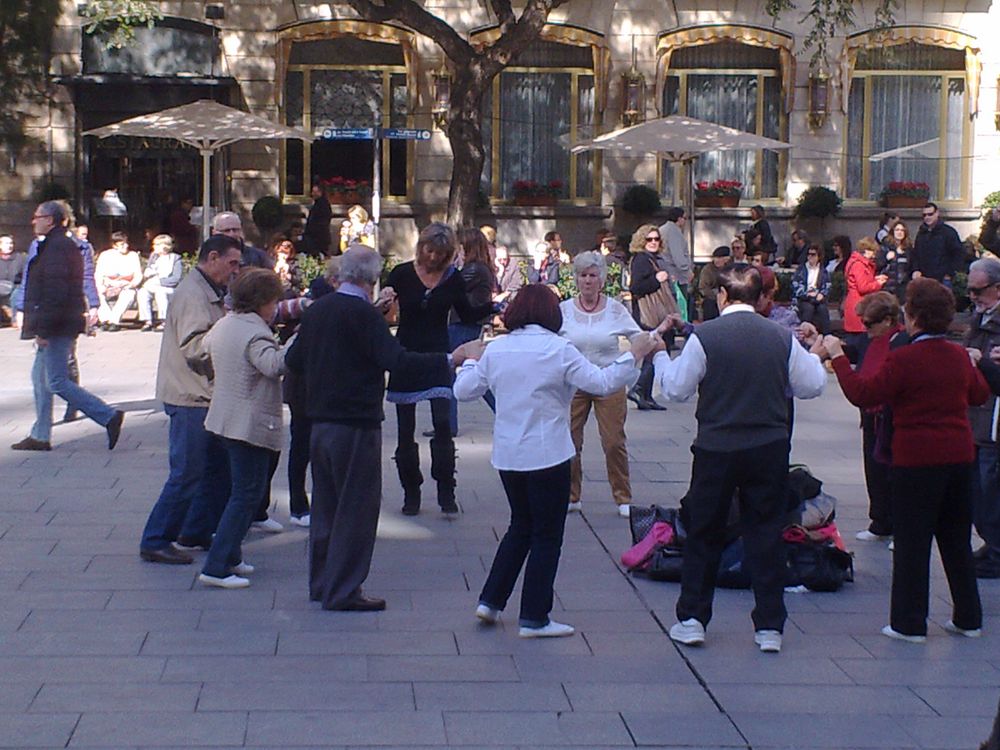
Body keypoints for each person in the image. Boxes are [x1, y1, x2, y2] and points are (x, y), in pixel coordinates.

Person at [455, 284, 655, 637]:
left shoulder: (498, 350)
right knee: (547, 535)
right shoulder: (559, 349)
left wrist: (469, 360)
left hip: (508, 453)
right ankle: (534, 615)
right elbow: (602, 382)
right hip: (548, 453)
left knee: (521, 525)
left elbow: (464, 390)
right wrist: (632, 355)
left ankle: (491, 599)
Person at [285, 245, 475, 611]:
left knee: (325, 505)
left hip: (319, 423)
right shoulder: (364, 315)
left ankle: (322, 583)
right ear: (372, 279)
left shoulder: (319, 309)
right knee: (356, 508)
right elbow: (397, 362)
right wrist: (450, 359)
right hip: (355, 424)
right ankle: (344, 591)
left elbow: (294, 359)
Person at [653, 265, 827, 653]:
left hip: (716, 447)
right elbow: (812, 385)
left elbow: (677, 391)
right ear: (757, 296)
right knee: (766, 533)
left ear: (721, 296)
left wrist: (661, 361)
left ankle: (693, 618)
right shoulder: (781, 337)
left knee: (704, 532)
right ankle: (769, 626)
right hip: (768, 446)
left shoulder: (706, 336)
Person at [822, 278, 987, 642]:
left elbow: (865, 394)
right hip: (959, 455)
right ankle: (968, 617)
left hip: (917, 459)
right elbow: (978, 394)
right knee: (956, 540)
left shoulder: (905, 358)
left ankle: (909, 622)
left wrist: (837, 356)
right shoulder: (958, 354)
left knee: (913, 542)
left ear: (913, 317)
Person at [138, 235, 243, 565]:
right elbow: (195, 347)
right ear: (212, 258)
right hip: (190, 396)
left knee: (217, 471)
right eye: (232, 263)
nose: (235, 270)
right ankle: (156, 539)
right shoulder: (193, 294)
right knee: (187, 473)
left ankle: (195, 530)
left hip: (203, 395)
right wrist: (231, 336)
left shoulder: (205, 290)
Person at [198, 268, 288, 589]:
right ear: (262, 301)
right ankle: (217, 565)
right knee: (246, 495)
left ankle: (232, 556)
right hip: (249, 424)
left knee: (240, 491)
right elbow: (273, 366)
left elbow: (202, 352)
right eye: (274, 301)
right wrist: (294, 345)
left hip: (223, 418)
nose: (276, 307)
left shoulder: (225, 324)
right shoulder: (257, 333)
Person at [11, 202, 125, 453]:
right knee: (40, 380)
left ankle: (107, 415)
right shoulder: (54, 244)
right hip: (57, 322)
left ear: (50, 220)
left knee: (56, 381)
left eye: (37, 217)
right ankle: (40, 436)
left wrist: (43, 329)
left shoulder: (58, 247)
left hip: (57, 325)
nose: (33, 221)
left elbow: (56, 292)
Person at [384, 223, 479, 515]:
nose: (434, 257)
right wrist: (383, 302)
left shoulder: (453, 279)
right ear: (420, 246)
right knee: (405, 430)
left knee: (442, 425)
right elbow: (382, 312)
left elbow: (467, 314)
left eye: (440, 252)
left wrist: (497, 309)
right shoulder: (401, 273)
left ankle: (446, 490)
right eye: (429, 250)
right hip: (407, 354)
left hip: (439, 355)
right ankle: (411, 492)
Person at [560, 251, 647, 517]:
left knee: (613, 442)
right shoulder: (563, 310)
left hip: (608, 382)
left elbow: (638, 337)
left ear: (602, 279)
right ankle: (571, 495)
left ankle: (623, 497)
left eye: (593, 275)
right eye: (583, 275)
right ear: (576, 279)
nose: (588, 281)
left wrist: (633, 364)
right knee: (569, 442)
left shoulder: (615, 309)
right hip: (574, 385)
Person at [849, 292, 909, 543]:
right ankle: (880, 520)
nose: (865, 328)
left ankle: (901, 526)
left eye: (869, 324)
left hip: (892, 416)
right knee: (873, 470)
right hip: (871, 415)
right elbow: (855, 354)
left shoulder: (902, 341)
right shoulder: (869, 340)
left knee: (894, 473)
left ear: (887, 320)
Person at [962, 257, 1000, 579]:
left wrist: (983, 362)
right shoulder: (978, 319)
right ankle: (991, 544)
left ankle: (998, 550)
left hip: (994, 420)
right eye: (970, 290)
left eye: (978, 290)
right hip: (975, 414)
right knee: (977, 486)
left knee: (989, 486)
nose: (972, 296)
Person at [447, 227, 497, 435]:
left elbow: (450, 288)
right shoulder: (480, 268)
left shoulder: (473, 270)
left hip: (463, 326)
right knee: (476, 373)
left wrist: (451, 264)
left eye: (460, 246)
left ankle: (448, 425)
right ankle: (448, 423)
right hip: (467, 324)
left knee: (452, 371)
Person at [627, 224, 672, 411]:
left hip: (654, 313)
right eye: (649, 239)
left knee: (655, 350)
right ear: (641, 241)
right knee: (655, 350)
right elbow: (636, 287)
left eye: (656, 239)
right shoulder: (641, 260)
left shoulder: (652, 259)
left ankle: (646, 395)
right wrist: (657, 280)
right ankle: (638, 388)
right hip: (648, 314)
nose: (654, 242)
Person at [843, 236, 888, 363]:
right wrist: (878, 284)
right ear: (866, 250)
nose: (874, 255)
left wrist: (875, 279)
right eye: (873, 252)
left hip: (856, 302)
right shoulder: (859, 265)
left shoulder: (857, 262)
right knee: (858, 342)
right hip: (858, 304)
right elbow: (863, 287)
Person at [95, 231, 141, 331]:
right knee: (98, 293)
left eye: (126, 243)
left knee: (128, 295)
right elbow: (99, 274)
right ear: (114, 245)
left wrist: (132, 284)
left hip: (126, 285)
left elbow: (138, 275)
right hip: (108, 284)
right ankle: (105, 319)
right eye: (122, 244)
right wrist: (101, 286)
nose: (126, 246)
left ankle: (114, 320)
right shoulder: (105, 255)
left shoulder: (133, 256)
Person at [137, 234, 183, 332]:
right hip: (152, 284)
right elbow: (149, 270)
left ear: (165, 246)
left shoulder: (175, 259)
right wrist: (147, 273)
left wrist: (160, 282)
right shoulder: (154, 257)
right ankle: (147, 321)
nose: (154, 247)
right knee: (142, 293)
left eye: (157, 245)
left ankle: (164, 321)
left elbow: (176, 279)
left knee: (160, 293)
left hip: (167, 286)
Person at [912, 202, 964, 285]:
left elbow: (958, 254)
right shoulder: (921, 234)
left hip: (943, 279)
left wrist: (950, 273)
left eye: (930, 214)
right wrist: (916, 269)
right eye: (924, 215)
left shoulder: (948, 232)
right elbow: (916, 254)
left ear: (937, 213)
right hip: (924, 279)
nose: (927, 217)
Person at [657, 207, 693, 313]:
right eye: (684, 218)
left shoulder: (662, 229)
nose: (685, 221)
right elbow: (678, 255)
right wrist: (687, 270)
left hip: (666, 271)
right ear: (679, 218)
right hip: (677, 275)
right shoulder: (674, 232)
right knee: (680, 307)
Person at [792, 243, 832, 335]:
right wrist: (807, 294)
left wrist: (821, 294)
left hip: (817, 298)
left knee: (823, 309)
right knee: (808, 308)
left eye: (813, 254)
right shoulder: (801, 270)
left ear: (819, 256)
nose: (810, 257)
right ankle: (803, 335)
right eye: (808, 254)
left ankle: (827, 335)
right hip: (804, 298)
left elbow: (827, 285)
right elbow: (795, 286)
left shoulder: (823, 271)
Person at [878, 220, 912, 301]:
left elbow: (911, 267)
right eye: (897, 230)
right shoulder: (885, 247)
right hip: (889, 288)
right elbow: (878, 264)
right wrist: (886, 258)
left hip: (903, 288)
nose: (899, 232)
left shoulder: (909, 249)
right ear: (892, 232)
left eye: (902, 230)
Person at [698, 246, 731, 321]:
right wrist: (716, 296)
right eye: (715, 257)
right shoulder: (708, 269)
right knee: (709, 305)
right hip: (712, 298)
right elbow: (702, 288)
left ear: (726, 259)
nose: (716, 260)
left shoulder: (730, 268)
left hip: (727, 298)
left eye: (719, 258)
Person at [0, 234, 26, 327]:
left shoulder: (20, 258)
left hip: (15, 285)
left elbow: (25, 274)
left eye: (11, 243)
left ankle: (15, 319)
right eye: (6, 243)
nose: (10, 245)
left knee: (17, 292)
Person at [303, 182, 332, 256]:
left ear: (321, 192)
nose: (313, 194)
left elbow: (320, 221)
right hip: (317, 236)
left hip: (318, 237)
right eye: (313, 192)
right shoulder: (317, 203)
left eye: (316, 192)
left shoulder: (322, 205)